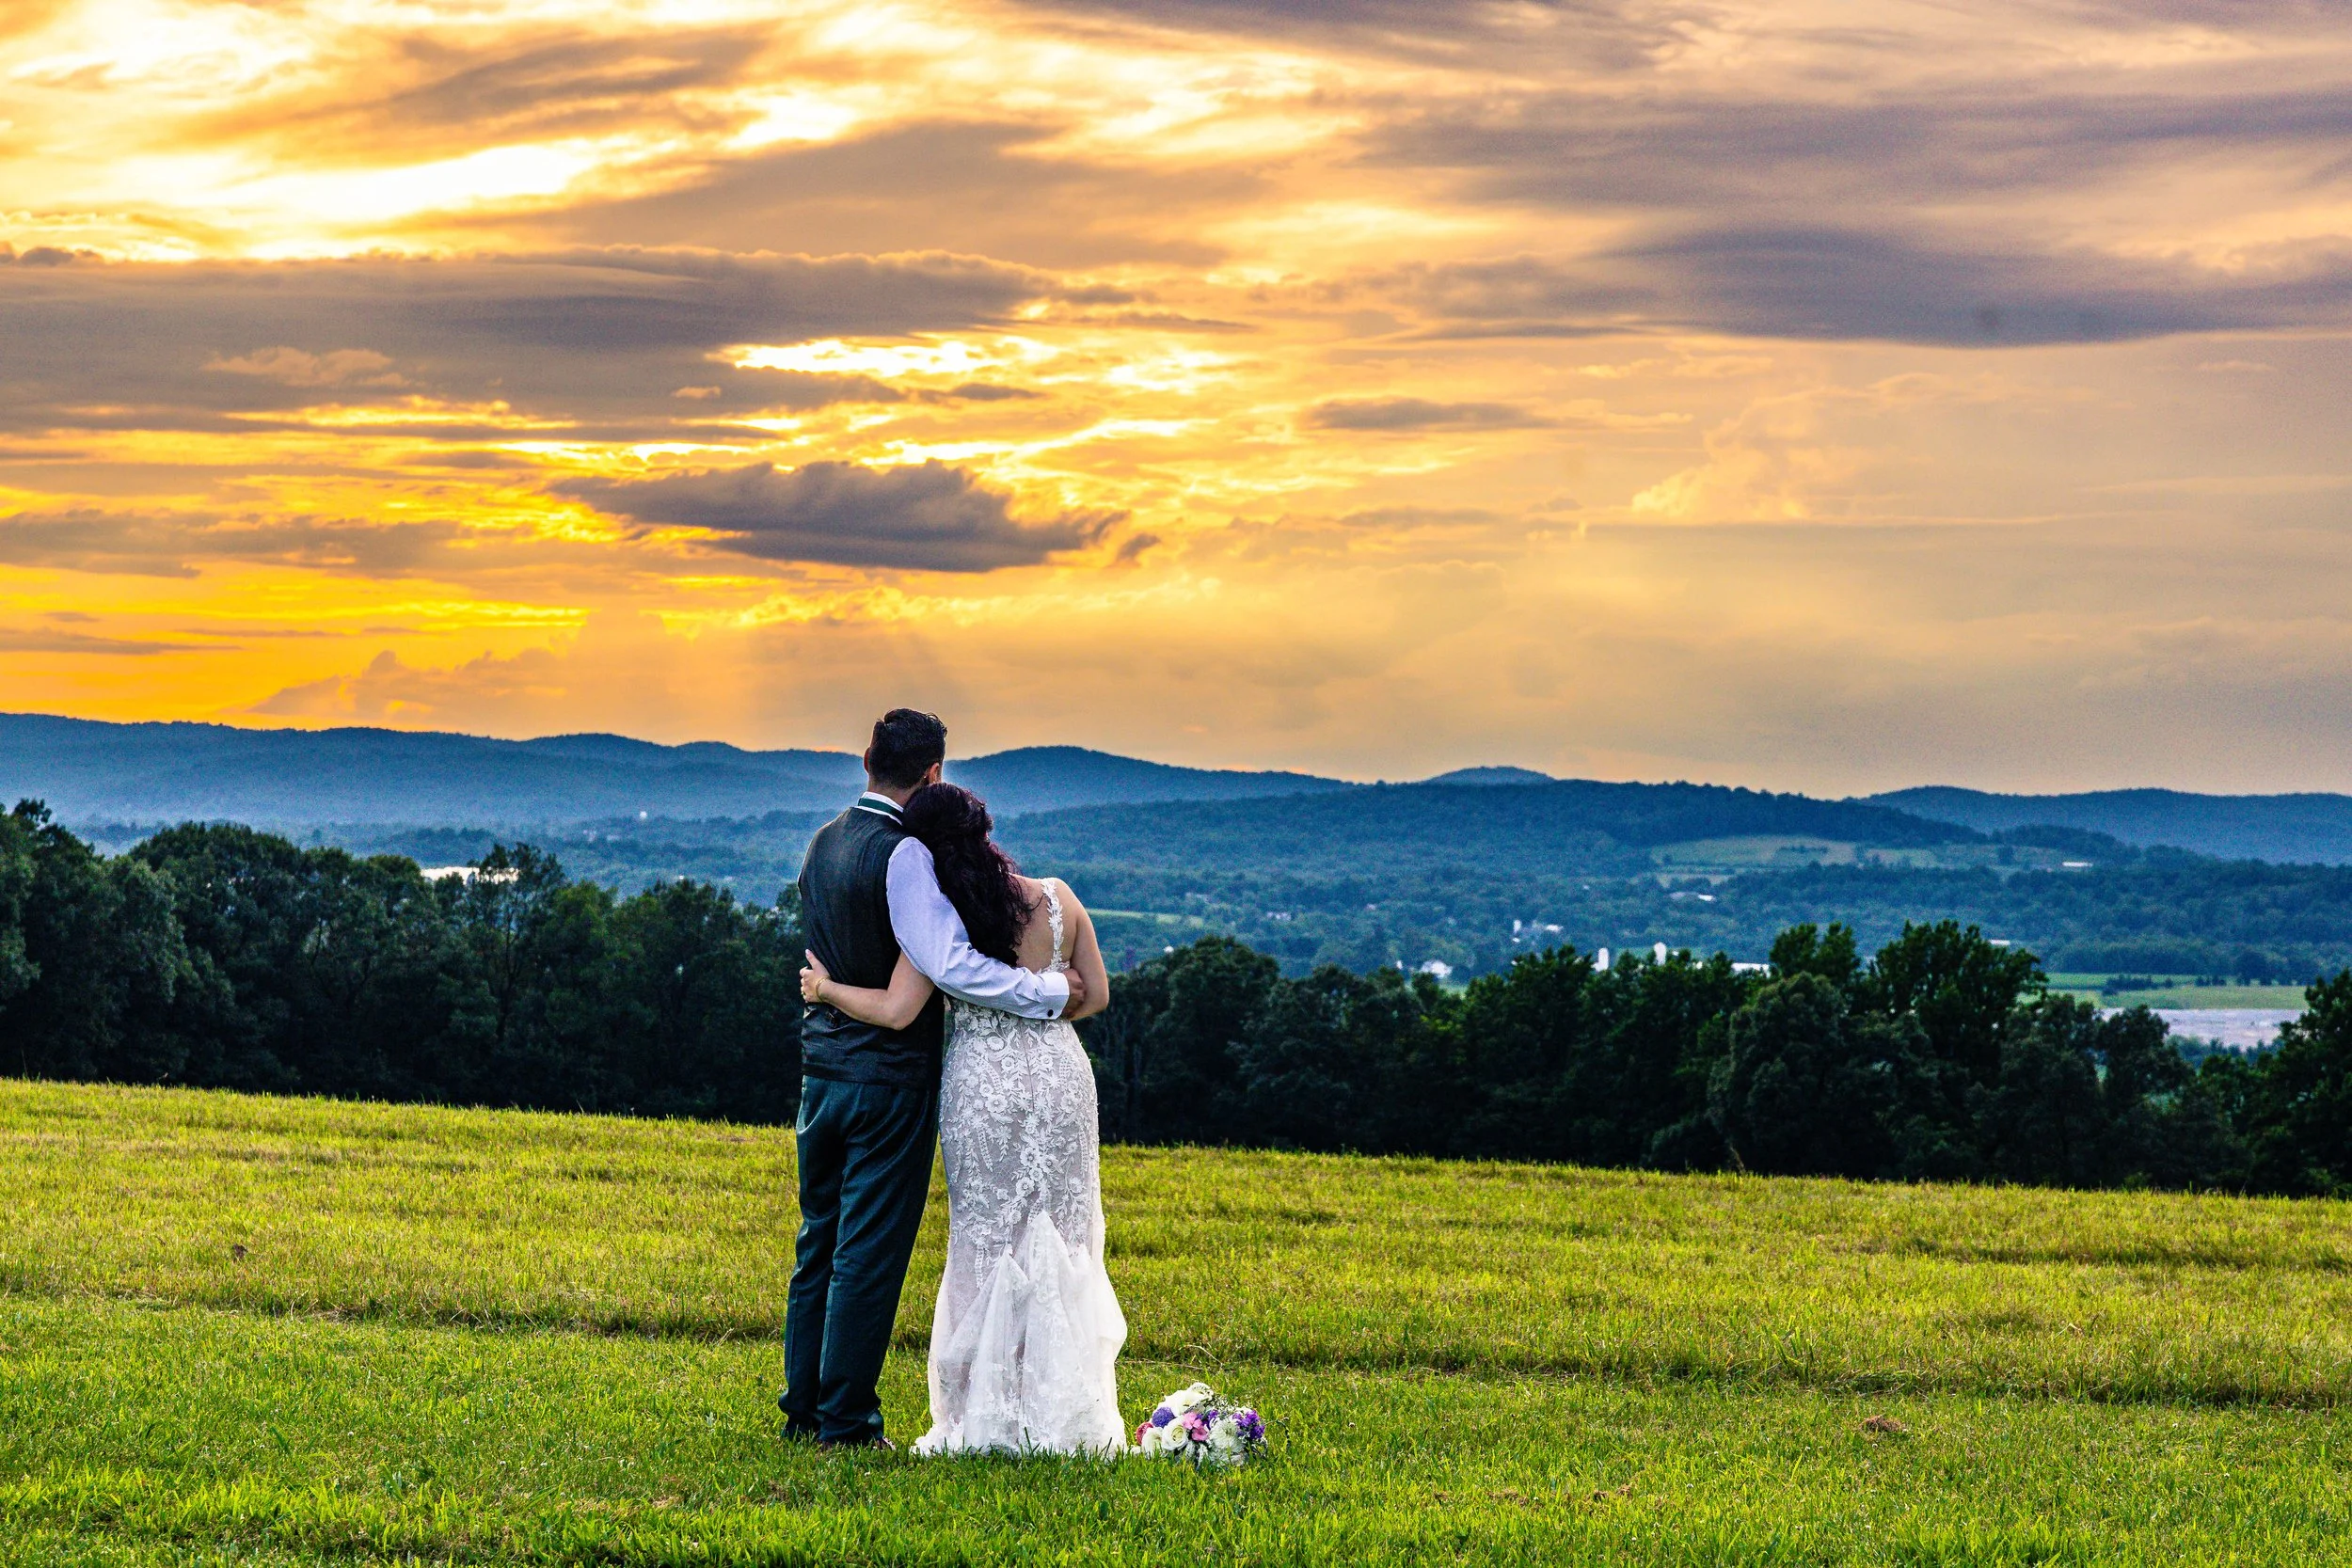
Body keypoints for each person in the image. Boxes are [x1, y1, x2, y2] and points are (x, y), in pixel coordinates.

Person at [783, 709, 1087, 1449]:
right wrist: (1048, 993)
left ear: (864, 758)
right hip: (884, 1084)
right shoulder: (904, 854)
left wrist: (824, 996)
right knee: (867, 1251)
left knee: (817, 1240)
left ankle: (804, 1408)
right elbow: (947, 964)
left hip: (821, 1074)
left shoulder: (822, 842)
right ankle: (846, 1422)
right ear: (933, 774)